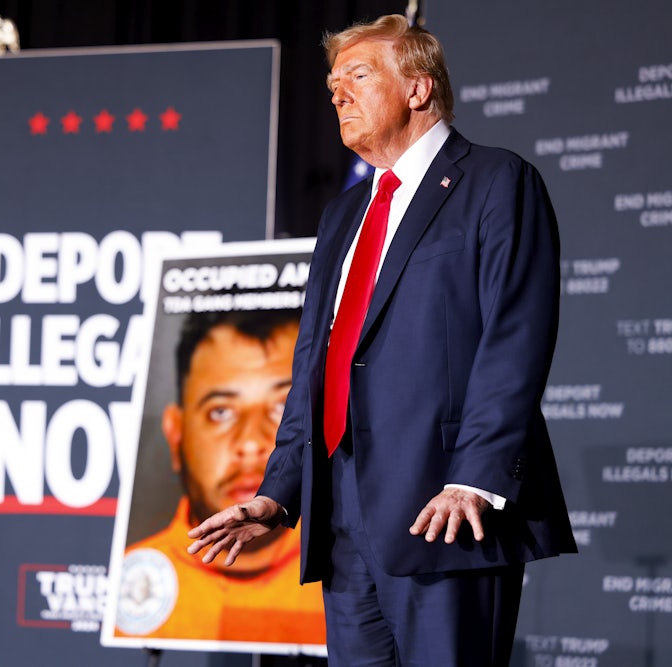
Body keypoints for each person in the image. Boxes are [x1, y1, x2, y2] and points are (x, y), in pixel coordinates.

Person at [187, 14, 576, 666]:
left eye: (358, 77)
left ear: (419, 88)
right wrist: (278, 492)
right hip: (343, 517)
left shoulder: (495, 182)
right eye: (333, 84)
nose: (337, 94)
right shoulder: (345, 213)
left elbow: (514, 338)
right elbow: (317, 362)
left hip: (446, 511)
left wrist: (473, 480)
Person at [115, 308, 326, 644]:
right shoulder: (132, 583)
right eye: (221, 412)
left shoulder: (346, 575)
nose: (251, 444)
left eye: (281, 407)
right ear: (175, 433)